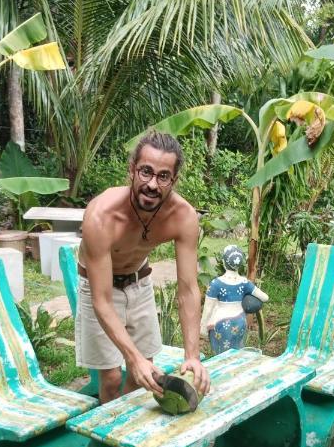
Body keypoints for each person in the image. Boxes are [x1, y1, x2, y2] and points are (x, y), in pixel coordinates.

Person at [76, 131, 210, 403]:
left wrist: (192, 357)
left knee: (142, 379)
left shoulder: (183, 216)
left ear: (173, 179)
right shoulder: (102, 215)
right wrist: (132, 358)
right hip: (99, 287)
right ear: (132, 170)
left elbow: (188, 289)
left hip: (139, 282)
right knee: (113, 379)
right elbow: (101, 300)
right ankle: (109, 436)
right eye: (145, 172)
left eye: (162, 176)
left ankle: (127, 435)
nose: (152, 184)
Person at [200, 244, 269, 354]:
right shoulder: (244, 283)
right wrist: (249, 299)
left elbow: (208, 308)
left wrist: (203, 328)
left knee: (220, 355)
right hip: (240, 322)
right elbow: (265, 297)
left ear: (223, 262)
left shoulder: (215, 284)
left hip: (220, 323)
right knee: (237, 353)